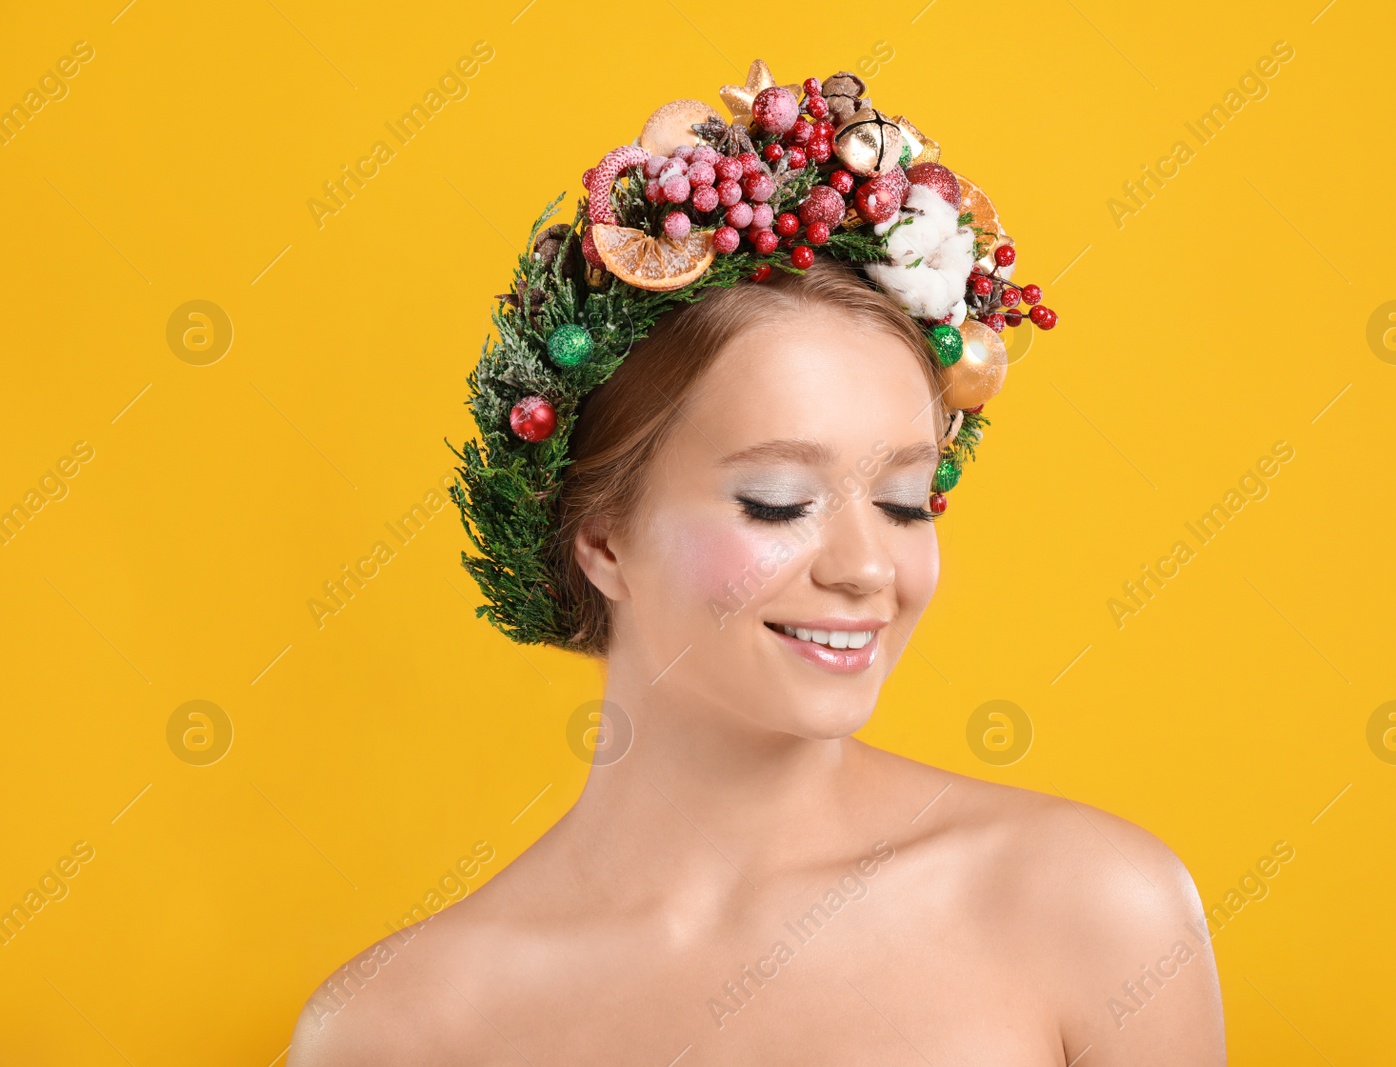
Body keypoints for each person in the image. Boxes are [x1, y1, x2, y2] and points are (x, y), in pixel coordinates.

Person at [289, 63, 1224, 1066]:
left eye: (905, 501)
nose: (868, 566)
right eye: (778, 501)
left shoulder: (1086, 909)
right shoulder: (397, 1029)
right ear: (601, 538)